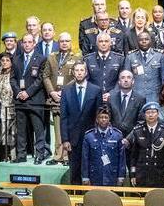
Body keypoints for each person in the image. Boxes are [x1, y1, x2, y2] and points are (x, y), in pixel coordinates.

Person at [60, 61, 101, 185]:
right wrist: (65, 139)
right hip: (73, 140)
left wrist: (98, 137)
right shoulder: (66, 90)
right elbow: (64, 117)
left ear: (86, 72)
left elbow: (98, 117)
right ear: (73, 72)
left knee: (92, 171)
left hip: (91, 137)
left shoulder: (96, 90)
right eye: (77, 70)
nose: (79, 73)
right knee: (75, 172)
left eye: (82, 70)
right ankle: (75, 195)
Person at [41, 32, 79, 165]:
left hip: (69, 98)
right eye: (62, 41)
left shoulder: (77, 57)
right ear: (58, 43)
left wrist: (64, 91)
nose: (64, 43)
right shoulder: (51, 57)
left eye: (67, 41)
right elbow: (45, 76)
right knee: (57, 128)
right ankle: (58, 155)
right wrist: (52, 92)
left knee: (68, 128)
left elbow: (77, 77)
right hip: (55, 98)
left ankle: (67, 156)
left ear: (71, 42)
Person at [13, 33, 49, 163]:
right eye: (25, 42)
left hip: (35, 100)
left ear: (34, 44)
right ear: (21, 44)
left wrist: (28, 93)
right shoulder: (16, 59)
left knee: (38, 128)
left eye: (30, 42)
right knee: (21, 130)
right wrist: (18, 92)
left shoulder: (42, 58)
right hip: (20, 100)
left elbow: (40, 79)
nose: (27, 45)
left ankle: (40, 154)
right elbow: (12, 78)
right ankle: (21, 155)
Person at [126, 102, 164, 187]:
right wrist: (133, 174)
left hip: (159, 173)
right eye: (148, 112)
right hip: (142, 173)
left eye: (153, 112)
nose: (150, 115)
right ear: (144, 115)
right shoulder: (137, 131)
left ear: (158, 114)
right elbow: (134, 156)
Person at [81, 108, 127, 186]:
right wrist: (85, 177)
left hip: (112, 176)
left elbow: (122, 158)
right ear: (97, 119)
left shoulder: (117, 135)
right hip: (95, 176)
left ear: (109, 119)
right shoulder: (89, 136)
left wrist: (121, 176)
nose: (103, 119)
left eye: (106, 117)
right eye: (101, 117)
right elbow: (85, 158)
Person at [124, 30, 164, 104]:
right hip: (136, 98)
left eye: (146, 39)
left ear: (151, 41)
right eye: (141, 40)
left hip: (155, 97)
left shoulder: (159, 56)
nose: (144, 41)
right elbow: (126, 79)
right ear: (137, 42)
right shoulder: (130, 57)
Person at [85, 31, 125, 100]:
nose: (103, 44)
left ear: (110, 43)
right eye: (101, 41)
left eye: (106, 41)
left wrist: (112, 93)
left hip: (114, 97)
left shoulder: (120, 59)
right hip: (93, 97)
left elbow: (122, 79)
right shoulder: (88, 59)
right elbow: (85, 80)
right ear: (96, 43)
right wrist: (94, 93)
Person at [0, 53, 18, 161]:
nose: (4, 62)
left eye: (7, 60)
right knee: (0, 133)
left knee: (11, 133)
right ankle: (2, 156)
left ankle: (13, 156)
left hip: (11, 108)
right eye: (3, 60)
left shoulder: (15, 74)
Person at [109, 70, 143, 136]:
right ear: (119, 82)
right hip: (113, 137)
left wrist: (129, 138)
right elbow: (108, 120)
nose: (126, 80)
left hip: (133, 138)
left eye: (129, 77)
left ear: (133, 81)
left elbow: (141, 122)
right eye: (123, 77)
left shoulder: (140, 99)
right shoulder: (111, 98)